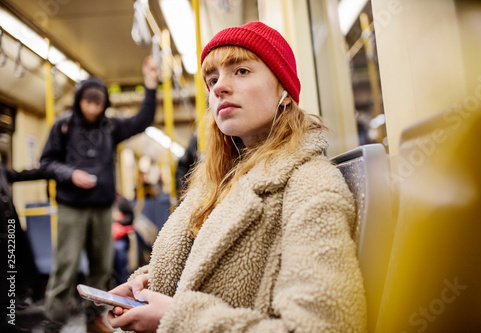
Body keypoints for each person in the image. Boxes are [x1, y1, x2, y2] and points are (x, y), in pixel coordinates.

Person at [106, 22, 367, 332]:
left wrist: (178, 318)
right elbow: (210, 267)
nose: (218, 87)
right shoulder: (219, 182)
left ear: (284, 90)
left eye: (241, 71)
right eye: (212, 78)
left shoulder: (311, 186)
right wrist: (150, 285)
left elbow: (323, 326)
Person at [40, 56, 159, 333]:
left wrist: (150, 85)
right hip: (72, 206)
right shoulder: (63, 126)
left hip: (103, 207)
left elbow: (143, 120)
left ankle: (93, 317)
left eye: (98, 103)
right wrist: (70, 174)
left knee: (101, 265)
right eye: (88, 102)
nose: (93, 108)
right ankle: (54, 319)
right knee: (66, 265)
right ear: (80, 99)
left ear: (104, 103)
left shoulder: (110, 128)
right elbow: (45, 163)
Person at [0, 163, 45, 331]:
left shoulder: (1, 169)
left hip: (7, 236)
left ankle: (7, 321)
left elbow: (22, 175)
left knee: (8, 281)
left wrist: (50, 168)